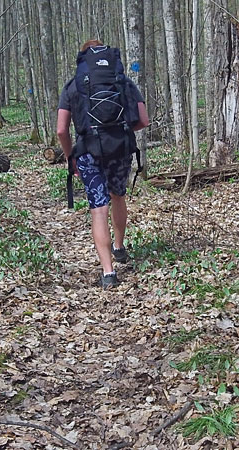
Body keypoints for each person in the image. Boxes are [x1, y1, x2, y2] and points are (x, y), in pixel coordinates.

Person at [57, 39, 149, 289]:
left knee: (99, 209)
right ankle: (119, 246)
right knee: (118, 196)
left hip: (88, 153)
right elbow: (143, 120)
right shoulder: (123, 82)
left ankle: (108, 272)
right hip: (119, 149)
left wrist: (71, 157)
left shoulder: (74, 85)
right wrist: (120, 132)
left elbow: (61, 130)